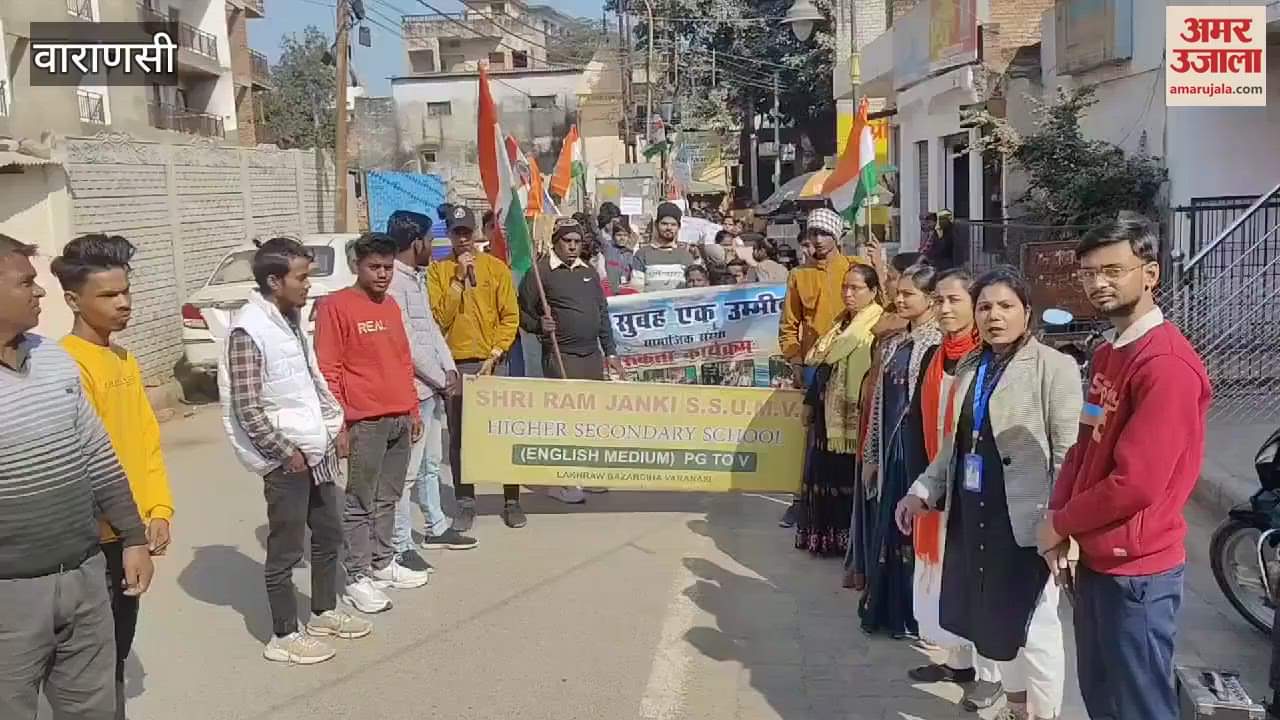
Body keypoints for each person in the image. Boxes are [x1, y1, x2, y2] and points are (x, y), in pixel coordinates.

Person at [1040, 217, 1210, 720]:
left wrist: (1061, 522)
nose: (1098, 283)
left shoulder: (1166, 367)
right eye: (1089, 273)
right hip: (1096, 559)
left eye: (1113, 270)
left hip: (1138, 573)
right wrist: (1059, 518)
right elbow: (1084, 443)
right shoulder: (1106, 354)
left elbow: (1134, 484)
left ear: (1151, 273)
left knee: (1139, 706)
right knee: (1101, 696)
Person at [897, 266, 1081, 720]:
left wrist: (1060, 526)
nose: (994, 316)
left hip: (1028, 522)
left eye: (1005, 306)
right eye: (985, 307)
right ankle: (1016, 708)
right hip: (974, 515)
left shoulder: (1053, 368)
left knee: (1036, 629)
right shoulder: (973, 368)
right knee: (995, 624)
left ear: (1027, 311)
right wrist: (921, 490)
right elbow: (953, 449)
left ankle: (1045, 715)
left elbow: (1069, 456)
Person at [0, 234, 153, 718]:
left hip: (84, 574)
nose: (39, 292)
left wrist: (133, 537)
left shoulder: (51, 359)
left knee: (96, 705)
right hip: (11, 592)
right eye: (26, 282)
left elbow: (98, 455)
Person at [219, 237, 372, 661]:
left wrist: (332, 424)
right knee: (285, 549)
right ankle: (283, 637)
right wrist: (286, 452)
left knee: (328, 533)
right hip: (287, 458)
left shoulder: (288, 319)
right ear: (274, 280)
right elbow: (246, 406)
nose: (309, 285)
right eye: (301, 277)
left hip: (314, 447)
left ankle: (323, 610)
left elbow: (307, 383)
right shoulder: (249, 330)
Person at [52, 234, 176, 715]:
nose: (123, 303)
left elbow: (145, 441)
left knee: (117, 651)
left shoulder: (124, 358)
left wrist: (159, 509)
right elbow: (83, 461)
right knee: (93, 663)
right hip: (96, 540)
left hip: (131, 533)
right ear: (72, 300)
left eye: (125, 291)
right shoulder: (67, 364)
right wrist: (127, 534)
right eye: (107, 295)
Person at [897, 268, 1003, 711]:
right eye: (938, 300)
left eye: (954, 300)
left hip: (977, 488)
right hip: (938, 481)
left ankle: (993, 674)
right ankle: (958, 660)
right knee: (943, 576)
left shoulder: (989, 358)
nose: (943, 309)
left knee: (978, 578)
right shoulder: (935, 354)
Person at [316, 232, 430, 612]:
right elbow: (328, 370)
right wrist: (339, 424)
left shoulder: (391, 307)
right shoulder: (336, 307)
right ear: (357, 267)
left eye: (387, 267)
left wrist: (412, 410)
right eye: (374, 267)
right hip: (364, 420)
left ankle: (383, 563)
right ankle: (357, 575)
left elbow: (402, 360)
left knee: (389, 497)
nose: (382, 275)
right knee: (360, 501)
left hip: (399, 415)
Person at [386, 211, 478, 571]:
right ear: (416, 243)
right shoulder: (393, 283)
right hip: (414, 390)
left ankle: (436, 525)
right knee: (407, 472)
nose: (434, 245)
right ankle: (400, 543)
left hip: (433, 387)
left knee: (429, 466)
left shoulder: (416, 278)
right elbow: (408, 343)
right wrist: (441, 378)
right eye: (430, 238)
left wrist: (449, 368)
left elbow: (432, 329)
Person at [859, 263, 943, 639]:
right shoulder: (895, 341)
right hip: (892, 449)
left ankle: (920, 617)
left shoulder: (936, 343)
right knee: (890, 531)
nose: (900, 298)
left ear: (930, 299)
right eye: (900, 292)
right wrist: (872, 454)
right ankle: (892, 611)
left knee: (917, 535)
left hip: (918, 452)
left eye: (909, 294)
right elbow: (879, 403)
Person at [427, 205, 524, 529]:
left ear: (476, 234)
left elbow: (510, 316)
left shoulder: (496, 269)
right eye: (457, 233)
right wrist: (456, 281)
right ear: (450, 235)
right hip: (458, 365)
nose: (464, 239)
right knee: (460, 438)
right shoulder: (438, 272)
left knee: (504, 434)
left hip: (494, 363)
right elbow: (438, 319)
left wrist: (495, 353)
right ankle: (465, 500)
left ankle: (511, 499)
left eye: (468, 232)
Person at [519, 219, 624, 504]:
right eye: (568, 241)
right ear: (556, 241)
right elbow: (521, 314)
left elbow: (602, 314)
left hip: (591, 355)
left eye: (577, 241)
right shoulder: (540, 273)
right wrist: (540, 325)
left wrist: (610, 351)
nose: (573, 246)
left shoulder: (588, 272)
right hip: (560, 355)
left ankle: (587, 473)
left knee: (590, 419)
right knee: (564, 420)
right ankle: (561, 481)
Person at [778, 208, 871, 527]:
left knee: (852, 435)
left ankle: (853, 506)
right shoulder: (798, 276)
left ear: (837, 236)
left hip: (855, 362)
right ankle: (801, 501)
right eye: (812, 233)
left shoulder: (856, 269)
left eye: (823, 233)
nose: (817, 239)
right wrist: (794, 361)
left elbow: (879, 307)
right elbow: (789, 326)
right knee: (811, 439)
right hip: (815, 366)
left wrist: (881, 266)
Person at [794, 264, 884, 555]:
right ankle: (825, 539)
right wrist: (810, 402)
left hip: (852, 418)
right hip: (826, 414)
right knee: (822, 474)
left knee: (846, 479)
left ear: (872, 292)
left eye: (856, 288)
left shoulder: (875, 326)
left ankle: (848, 544)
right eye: (845, 287)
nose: (848, 293)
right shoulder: (840, 323)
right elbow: (822, 365)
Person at [630, 202, 697, 292]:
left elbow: (693, 289)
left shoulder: (686, 256)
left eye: (673, 224)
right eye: (664, 224)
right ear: (656, 225)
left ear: (678, 227)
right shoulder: (642, 254)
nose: (669, 228)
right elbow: (636, 290)